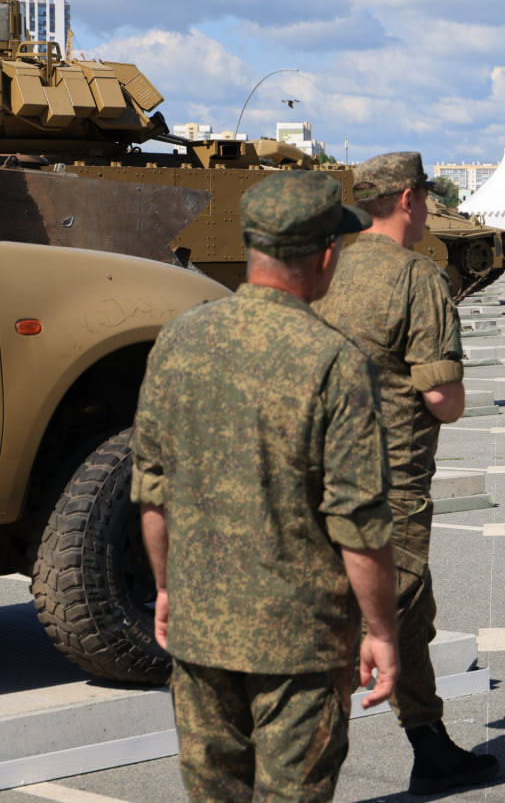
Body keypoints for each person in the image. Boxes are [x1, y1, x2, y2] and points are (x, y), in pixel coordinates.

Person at [132, 171, 400, 800]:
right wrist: (382, 632)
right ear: (327, 253)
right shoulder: (333, 361)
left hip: (202, 629)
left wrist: (168, 587)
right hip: (300, 647)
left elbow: (151, 490)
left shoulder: (179, 340)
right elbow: (359, 524)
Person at [313, 152, 499, 796]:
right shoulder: (419, 276)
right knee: (380, 611)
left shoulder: (326, 265)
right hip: (388, 477)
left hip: (319, 465)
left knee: (409, 612)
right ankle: (300, 763)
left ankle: (430, 743)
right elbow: (442, 399)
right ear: (411, 199)